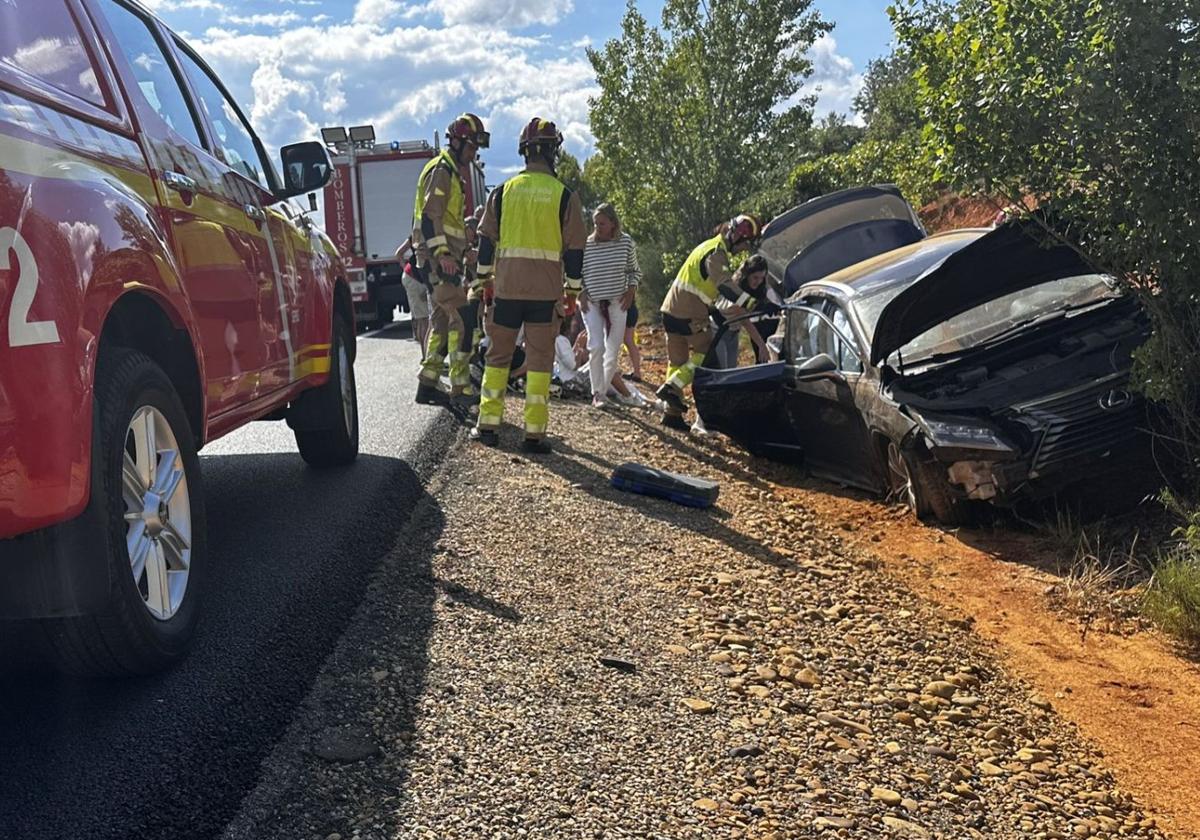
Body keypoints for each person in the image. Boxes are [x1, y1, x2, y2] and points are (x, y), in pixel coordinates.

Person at [470, 117, 587, 453]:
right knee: (539, 361)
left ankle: (488, 426)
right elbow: (575, 251)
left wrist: (482, 282)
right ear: (552, 152)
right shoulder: (565, 196)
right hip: (545, 295)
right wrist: (572, 294)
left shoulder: (502, 193)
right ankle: (534, 435)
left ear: (524, 152)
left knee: (497, 357)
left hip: (506, 291)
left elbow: (486, 243)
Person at [656, 213, 763, 430]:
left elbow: (712, 289)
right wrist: (754, 303)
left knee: (677, 361)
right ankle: (671, 387)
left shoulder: (706, 246)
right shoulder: (717, 253)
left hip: (670, 310)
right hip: (689, 313)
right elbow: (724, 285)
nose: (743, 250)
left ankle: (672, 415)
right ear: (736, 236)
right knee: (706, 352)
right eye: (744, 244)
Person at [412, 112, 489, 405]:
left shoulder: (451, 171)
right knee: (464, 318)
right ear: (457, 143)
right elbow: (431, 217)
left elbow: (449, 220)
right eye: (471, 147)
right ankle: (460, 387)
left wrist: (462, 250)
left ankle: (428, 382)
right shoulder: (442, 170)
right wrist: (443, 253)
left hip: (444, 257)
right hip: (436, 259)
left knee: (443, 322)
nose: (474, 154)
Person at [581, 203, 640, 408]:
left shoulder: (625, 243)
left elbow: (634, 271)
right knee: (596, 345)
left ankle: (603, 391)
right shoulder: (586, 245)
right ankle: (596, 393)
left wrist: (631, 290)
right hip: (592, 302)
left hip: (618, 302)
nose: (597, 227)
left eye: (602, 224)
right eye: (595, 223)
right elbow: (575, 272)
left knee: (613, 350)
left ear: (613, 224)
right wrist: (580, 293)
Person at [710, 254, 775, 370]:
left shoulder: (759, 286)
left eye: (762, 278)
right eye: (755, 277)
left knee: (731, 370)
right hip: (717, 332)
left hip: (733, 332)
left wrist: (772, 306)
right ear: (747, 275)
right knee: (723, 371)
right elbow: (745, 321)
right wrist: (762, 345)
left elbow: (766, 298)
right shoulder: (736, 291)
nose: (758, 282)